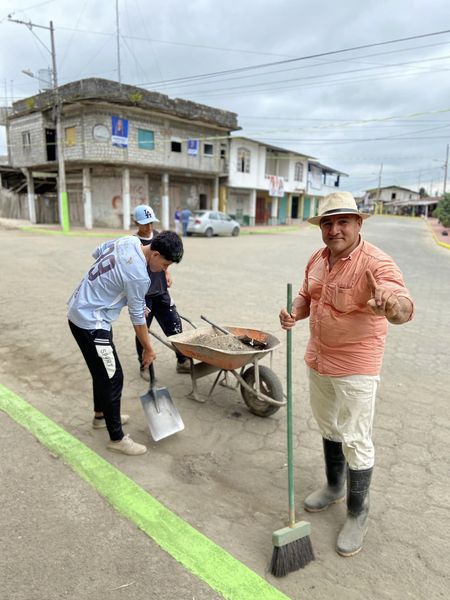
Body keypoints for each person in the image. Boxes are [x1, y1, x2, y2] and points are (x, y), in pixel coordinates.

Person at [279, 191, 414, 557]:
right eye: (327, 223)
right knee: (329, 426)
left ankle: (358, 513)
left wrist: (390, 305)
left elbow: (402, 306)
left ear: (357, 224)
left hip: (356, 366)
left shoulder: (376, 263)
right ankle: (335, 486)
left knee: (356, 437)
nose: (334, 230)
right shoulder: (317, 259)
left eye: (342, 222)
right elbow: (306, 296)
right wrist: (294, 311)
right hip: (319, 358)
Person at [68, 230, 184, 456]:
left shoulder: (129, 241)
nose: (164, 270)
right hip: (91, 321)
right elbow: (137, 318)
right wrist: (148, 349)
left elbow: (98, 252)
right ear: (155, 254)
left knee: (102, 371)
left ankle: (101, 416)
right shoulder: (139, 276)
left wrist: (112, 288)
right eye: (165, 265)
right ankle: (117, 438)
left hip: (81, 308)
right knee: (113, 377)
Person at [133, 204, 190, 378]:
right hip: (144, 297)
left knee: (175, 326)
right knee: (143, 331)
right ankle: (144, 365)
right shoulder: (134, 243)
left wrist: (167, 272)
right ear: (136, 222)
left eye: (151, 223)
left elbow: (167, 259)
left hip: (161, 292)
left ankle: (182, 361)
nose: (149, 227)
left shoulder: (159, 237)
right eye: (145, 223)